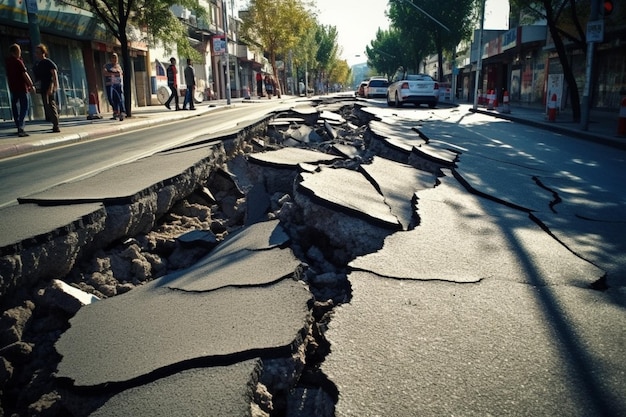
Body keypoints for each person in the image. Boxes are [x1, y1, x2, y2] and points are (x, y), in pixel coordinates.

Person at [5, 43, 35, 137]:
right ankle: (21, 127)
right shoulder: (18, 61)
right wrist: (31, 85)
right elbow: (24, 74)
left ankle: (18, 125)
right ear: (16, 51)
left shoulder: (8, 62)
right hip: (22, 88)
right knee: (24, 107)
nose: (20, 52)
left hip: (13, 88)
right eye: (19, 51)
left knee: (15, 108)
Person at [33, 43, 60, 133]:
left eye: (38, 52)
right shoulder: (37, 64)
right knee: (47, 106)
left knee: (50, 105)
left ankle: (56, 125)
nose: (36, 54)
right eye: (36, 52)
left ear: (43, 53)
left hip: (49, 86)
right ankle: (54, 121)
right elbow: (37, 77)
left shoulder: (48, 62)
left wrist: (54, 86)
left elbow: (54, 73)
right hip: (42, 87)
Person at [103, 52, 125, 121]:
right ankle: (115, 110)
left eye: (115, 57)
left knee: (119, 98)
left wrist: (111, 73)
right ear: (110, 59)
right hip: (109, 84)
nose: (114, 59)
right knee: (110, 98)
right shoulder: (107, 66)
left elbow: (120, 74)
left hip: (118, 84)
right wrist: (114, 73)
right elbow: (105, 73)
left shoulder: (118, 66)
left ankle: (121, 112)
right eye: (113, 57)